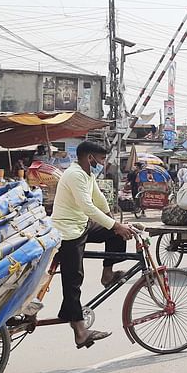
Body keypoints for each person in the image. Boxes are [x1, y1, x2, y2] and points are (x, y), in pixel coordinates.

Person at [52, 141, 135, 349]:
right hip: (68, 231)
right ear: (90, 158)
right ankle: (80, 332)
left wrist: (115, 224)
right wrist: (115, 224)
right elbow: (87, 206)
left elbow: (99, 199)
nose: (102, 162)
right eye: (100, 159)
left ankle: (107, 274)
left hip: (82, 225)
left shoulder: (87, 174)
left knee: (116, 235)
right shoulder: (74, 175)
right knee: (73, 280)